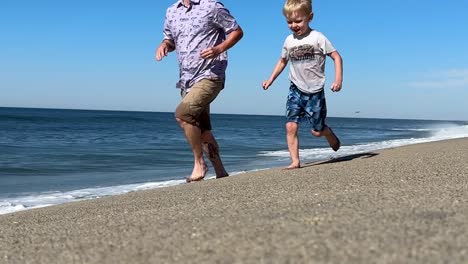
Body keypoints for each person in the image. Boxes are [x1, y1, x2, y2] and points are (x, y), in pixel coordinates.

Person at [155, 0, 243, 182]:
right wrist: (164, 45)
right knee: (202, 129)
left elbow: (237, 31)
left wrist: (219, 48)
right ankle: (220, 171)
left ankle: (199, 163)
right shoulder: (172, 11)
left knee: (183, 115)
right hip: (187, 79)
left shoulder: (212, 6)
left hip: (211, 74)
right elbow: (170, 40)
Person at [262, 0, 343, 169]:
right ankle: (295, 161)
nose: (293, 25)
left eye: (298, 21)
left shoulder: (318, 37)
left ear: (310, 17)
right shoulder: (288, 41)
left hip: (315, 91)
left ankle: (328, 133)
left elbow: (336, 56)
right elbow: (282, 60)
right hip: (295, 89)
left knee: (317, 131)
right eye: (289, 22)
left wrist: (338, 80)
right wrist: (270, 79)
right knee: (290, 125)